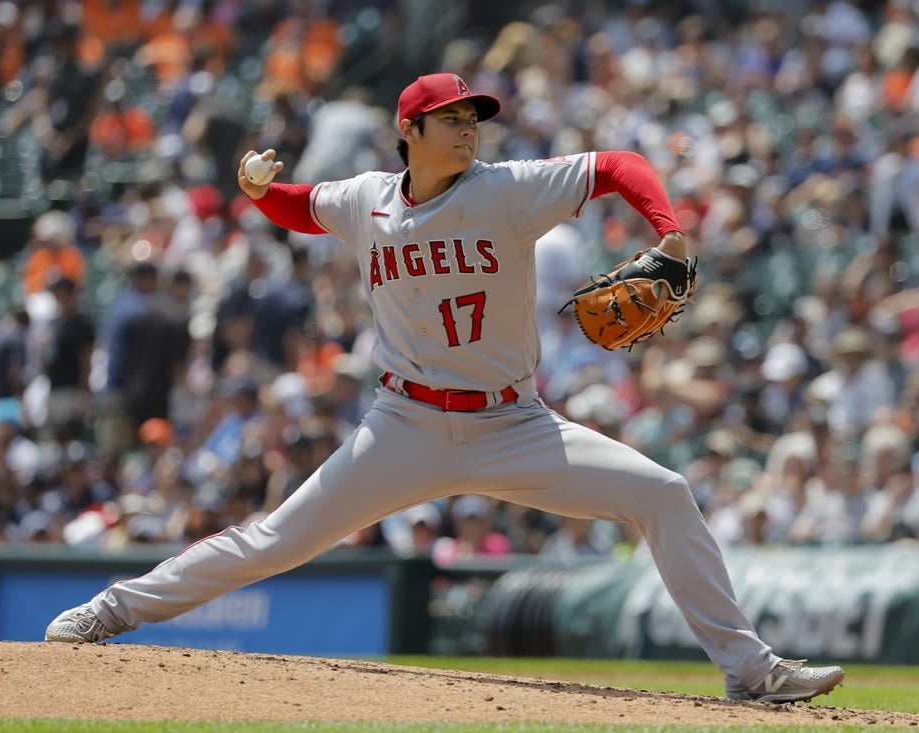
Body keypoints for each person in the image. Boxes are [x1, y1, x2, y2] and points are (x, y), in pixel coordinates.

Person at [45, 72, 844, 704]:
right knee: (275, 540)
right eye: (454, 118)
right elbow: (302, 207)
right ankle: (114, 608)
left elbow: (617, 166)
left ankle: (751, 669)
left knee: (664, 492)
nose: (469, 128)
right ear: (409, 130)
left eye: (474, 118)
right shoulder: (366, 199)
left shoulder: (505, 188)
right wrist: (258, 193)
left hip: (516, 424)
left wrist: (666, 226)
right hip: (404, 426)